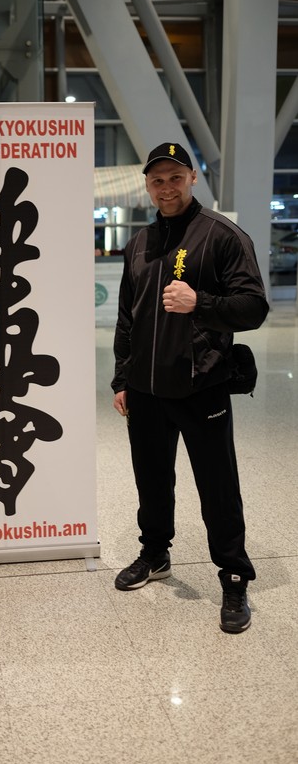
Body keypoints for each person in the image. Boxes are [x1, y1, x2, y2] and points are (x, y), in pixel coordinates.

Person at [111, 142, 269, 634]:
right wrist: (122, 378)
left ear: (193, 177)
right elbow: (127, 317)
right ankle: (155, 554)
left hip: (202, 385)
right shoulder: (139, 243)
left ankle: (234, 575)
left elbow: (254, 307)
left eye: (175, 178)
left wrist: (200, 302)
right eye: (157, 180)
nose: (166, 188)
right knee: (152, 479)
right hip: (146, 389)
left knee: (217, 487)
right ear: (147, 185)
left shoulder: (223, 235)